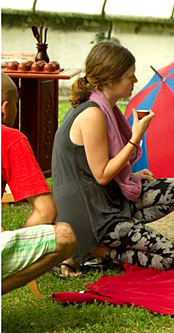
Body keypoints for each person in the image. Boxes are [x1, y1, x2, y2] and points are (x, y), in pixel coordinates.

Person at [51, 41, 174, 277]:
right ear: (111, 81)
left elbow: (96, 170)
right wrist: (135, 138)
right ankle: (97, 250)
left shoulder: (105, 107)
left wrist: (130, 176)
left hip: (107, 198)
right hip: (91, 215)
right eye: (130, 76)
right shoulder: (92, 113)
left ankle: (122, 235)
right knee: (170, 256)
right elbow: (102, 175)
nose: (135, 81)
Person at [1, 72, 76, 294]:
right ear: (5, 108)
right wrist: (12, 239)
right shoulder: (9, 138)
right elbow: (46, 212)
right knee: (64, 236)